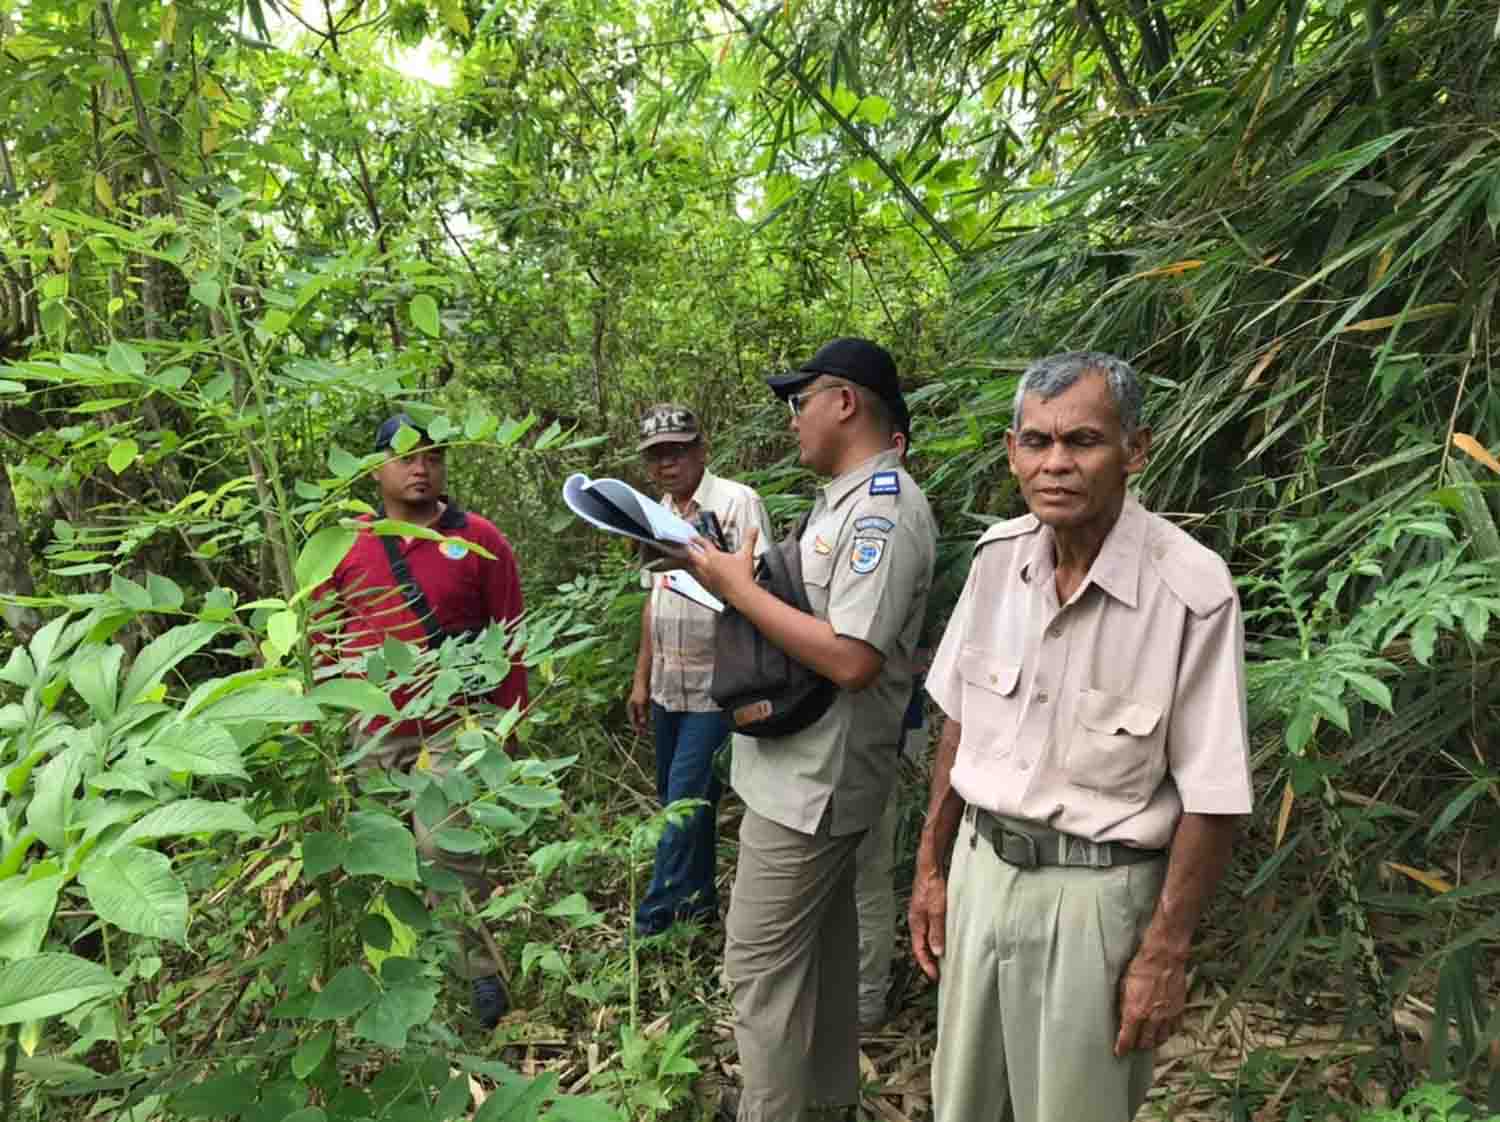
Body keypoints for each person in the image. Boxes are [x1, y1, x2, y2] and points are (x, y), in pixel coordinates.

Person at [909, 352, 1252, 1122]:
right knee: (962, 1106)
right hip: (981, 872)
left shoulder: (1190, 590)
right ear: (1012, 451)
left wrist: (1165, 950)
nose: (1055, 464)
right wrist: (931, 866)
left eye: (1083, 441)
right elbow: (960, 721)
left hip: (1097, 901)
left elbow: (1215, 796)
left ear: (1136, 449)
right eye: (1036, 442)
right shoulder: (998, 560)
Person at [687, 338, 937, 1122]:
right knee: (821, 974)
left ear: (845, 402)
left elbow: (853, 658)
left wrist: (739, 589)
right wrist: (728, 575)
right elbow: (810, 616)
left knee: (759, 970)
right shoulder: (843, 500)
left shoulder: (884, 511)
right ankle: (827, 1106)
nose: (794, 421)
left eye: (802, 402)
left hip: (814, 787)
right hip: (799, 775)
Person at [318, 413, 528, 1030]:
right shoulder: (347, 543)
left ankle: (480, 976)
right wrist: (317, 727)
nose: (420, 468)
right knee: (384, 854)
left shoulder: (479, 537)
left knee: (445, 848)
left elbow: (509, 634)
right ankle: (402, 979)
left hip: (454, 722)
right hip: (374, 727)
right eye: (406, 457)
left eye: (432, 457)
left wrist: (508, 725)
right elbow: (325, 636)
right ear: (375, 469)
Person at [627, 403, 771, 938]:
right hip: (669, 685)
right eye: (657, 455)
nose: (668, 463)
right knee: (681, 799)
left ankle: (654, 921)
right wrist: (642, 679)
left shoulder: (736, 503)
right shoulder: (655, 512)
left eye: (678, 450)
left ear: (700, 449)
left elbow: (756, 588)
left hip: (718, 683)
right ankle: (698, 905)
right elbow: (652, 598)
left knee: (682, 804)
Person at [852, 418, 928, 1032]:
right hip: (863, 730)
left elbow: (862, 654)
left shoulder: (892, 508)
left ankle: (867, 1000)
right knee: (861, 872)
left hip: (880, 728)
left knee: (869, 872)